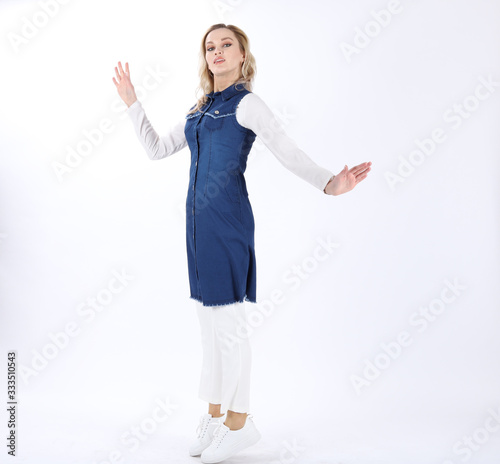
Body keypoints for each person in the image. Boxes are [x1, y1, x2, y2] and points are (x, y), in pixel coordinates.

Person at [113, 22, 371, 464]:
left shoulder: (247, 104)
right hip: (196, 229)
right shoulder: (198, 109)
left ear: (241, 54)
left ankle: (240, 422)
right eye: (210, 46)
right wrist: (133, 104)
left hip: (228, 223)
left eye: (225, 45)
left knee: (229, 327)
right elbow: (156, 149)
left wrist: (329, 183)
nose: (216, 51)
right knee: (208, 328)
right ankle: (214, 415)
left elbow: (286, 148)